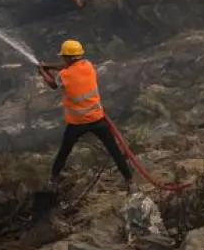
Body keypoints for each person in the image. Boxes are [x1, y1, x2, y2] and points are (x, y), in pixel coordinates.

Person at [37, 39, 133, 191]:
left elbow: (53, 84)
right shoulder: (88, 65)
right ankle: (129, 180)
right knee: (113, 149)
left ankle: (53, 180)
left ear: (68, 57)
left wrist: (43, 71)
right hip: (97, 119)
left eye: (63, 57)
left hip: (77, 124)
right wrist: (48, 65)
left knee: (64, 151)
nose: (62, 59)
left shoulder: (64, 75)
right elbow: (67, 67)